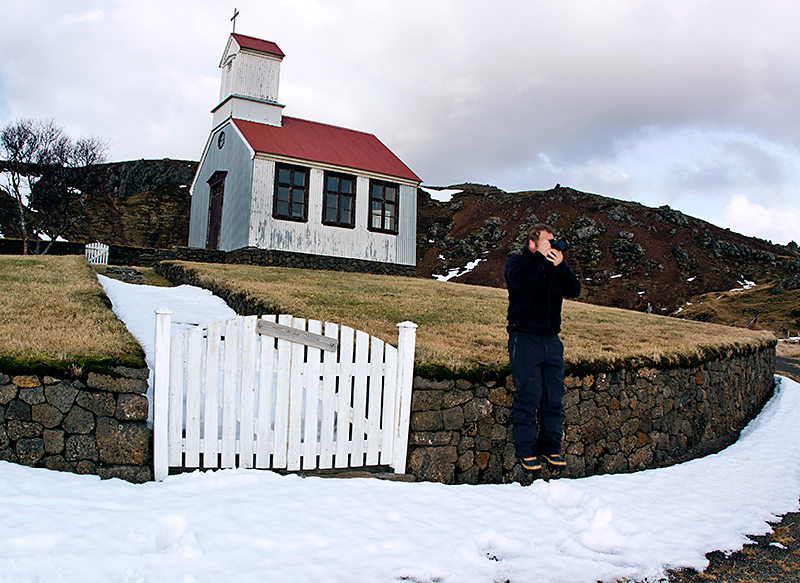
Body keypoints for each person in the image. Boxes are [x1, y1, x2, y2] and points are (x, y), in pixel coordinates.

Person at [505, 223, 581, 471]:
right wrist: (539, 259)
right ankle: (526, 451)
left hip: (551, 340)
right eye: (547, 242)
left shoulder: (553, 268)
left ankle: (551, 449)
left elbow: (574, 290)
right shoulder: (517, 263)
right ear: (532, 244)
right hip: (524, 338)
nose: (551, 246)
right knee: (529, 395)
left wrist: (561, 266)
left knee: (553, 397)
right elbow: (521, 283)